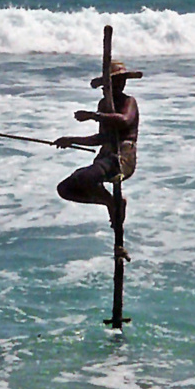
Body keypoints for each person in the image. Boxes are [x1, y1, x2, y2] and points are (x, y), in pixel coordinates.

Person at [55, 59, 141, 258]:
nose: (120, 85)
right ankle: (111, 202)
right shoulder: (104, 104)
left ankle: (114, 205)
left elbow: (124, 120)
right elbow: (102, 138)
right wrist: (71, 140)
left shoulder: (129, 102)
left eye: (122, 81)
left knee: (84, 177)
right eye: (114, 82)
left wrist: (95, 116)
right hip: (106, 157)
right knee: (66, 188)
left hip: (122, 159)